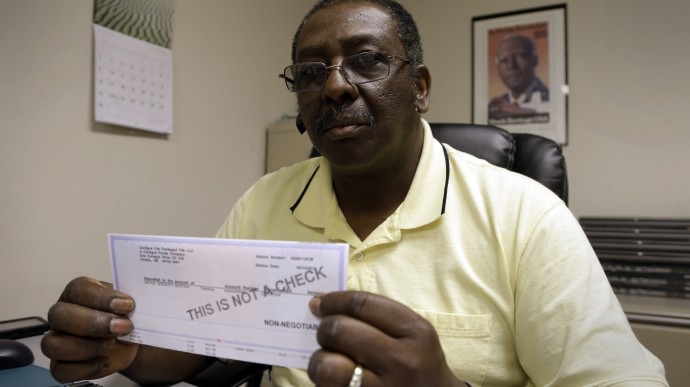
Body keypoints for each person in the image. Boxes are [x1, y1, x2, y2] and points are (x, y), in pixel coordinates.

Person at [42, 1, 668, 386]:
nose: (334, 87)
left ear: (419, 87)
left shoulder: (527, 216)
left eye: (366, 60)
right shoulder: (263, 202)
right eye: (311, 73)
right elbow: (193, 351)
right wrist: (121, 346)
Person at [488, 34, 550, 119]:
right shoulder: (494, 106)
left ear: (535, 60)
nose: (511, 65)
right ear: (497, 67)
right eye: (504, 60)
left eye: (520, 56)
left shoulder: (549, 98)